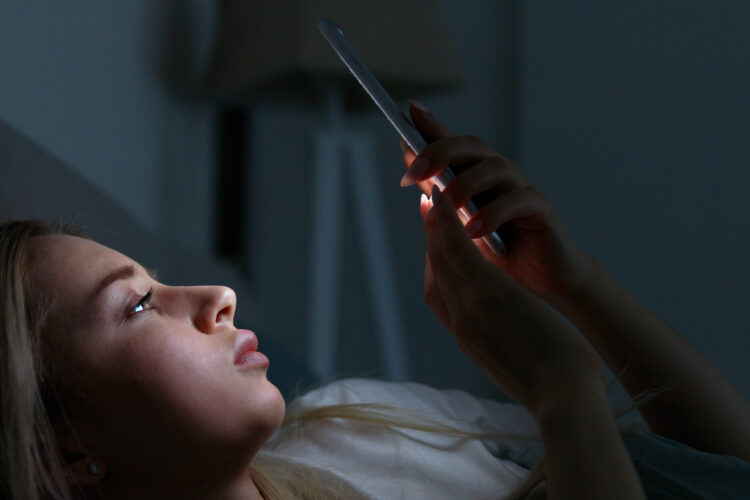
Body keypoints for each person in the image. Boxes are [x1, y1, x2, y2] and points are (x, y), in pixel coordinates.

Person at [2, 103, 749, 500]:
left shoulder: (359, 425)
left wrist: (579, 286)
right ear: (62, 454)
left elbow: (726, 472)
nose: (218, 296)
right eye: (137, 305)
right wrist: (560, 391)